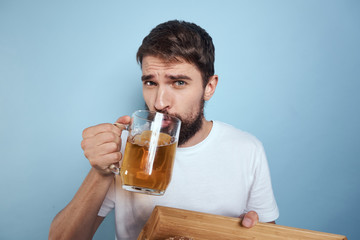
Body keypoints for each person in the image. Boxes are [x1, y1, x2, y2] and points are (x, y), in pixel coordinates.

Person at [49, 20, 279, 240]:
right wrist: (101, 171)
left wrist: (247, 234)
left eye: (178, 82)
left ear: (209, 87)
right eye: (150, 82)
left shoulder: (247, 149)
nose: (159, 103)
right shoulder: (124, 151)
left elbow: (268, 234)